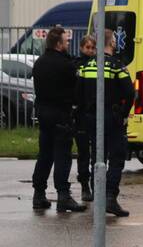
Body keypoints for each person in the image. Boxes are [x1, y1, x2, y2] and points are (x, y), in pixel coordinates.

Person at [75, 29, 135, 217]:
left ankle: (98, 196)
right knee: (117, 157)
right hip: (112, 117)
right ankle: (110, 197)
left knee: (97, 157)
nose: (116, 42)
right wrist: (124, 113)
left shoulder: (86, 66)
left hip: (91, 118)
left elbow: (79, 93)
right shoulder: (116, 66)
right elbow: (130, 92)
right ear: (110, 42)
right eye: (115, 40)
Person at [31, 27, 86, 212]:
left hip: (43, 114)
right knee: (62, 156)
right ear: (58, 43)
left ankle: (39, 195)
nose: (68, 43)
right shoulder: (66, 65)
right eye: (66, 41)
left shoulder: (39, 63)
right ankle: (63, 195)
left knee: (44, 155)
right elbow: (77, 91)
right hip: (61, 115)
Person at [74, 35, 97, 201]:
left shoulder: (98, 63)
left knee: (97, 152)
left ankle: (97, 185)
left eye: (92, 47)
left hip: (95, 113)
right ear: (82, 48)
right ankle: (84, 185)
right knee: (83, 153)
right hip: (81, 114)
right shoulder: (76, 65)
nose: (90, 50)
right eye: (87, 47)